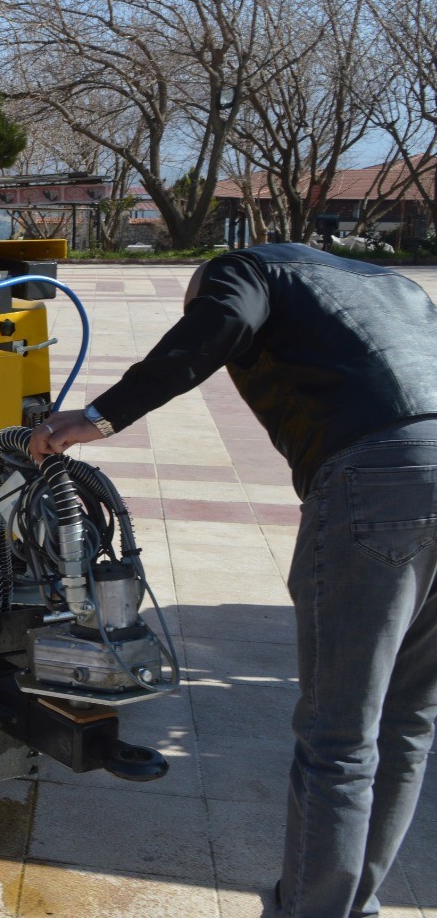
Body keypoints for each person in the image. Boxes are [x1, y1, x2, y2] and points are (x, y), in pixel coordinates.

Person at [31, 243, 437, 918]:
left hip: (377, 481)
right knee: (407, 722)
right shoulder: (389, 284)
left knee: (339, 738)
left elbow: (214, 328)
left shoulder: (245, 270)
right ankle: (350, 905)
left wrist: (99, 416)